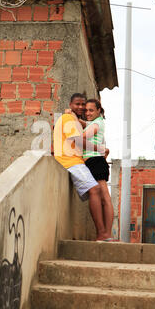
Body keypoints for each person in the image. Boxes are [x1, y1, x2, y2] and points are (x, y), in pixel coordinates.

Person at [53, 93, 111, 241]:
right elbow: (78, 140)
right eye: (77, 104)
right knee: (95, 189)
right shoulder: (68, 119)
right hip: (70, 161)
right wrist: (99, 149)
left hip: (77, 161)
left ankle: (103, 233)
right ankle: (102, 233)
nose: (81, 107)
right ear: (71, 105)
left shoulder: (75, 121)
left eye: (82, 105)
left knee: (98, 191)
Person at [82, 99, 114, 241]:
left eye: (91, 110)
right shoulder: (97, 121)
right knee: (104, 198)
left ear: (98, 111)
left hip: (95, 161)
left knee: (105, 198)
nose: (87, 113)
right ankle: (106, 234)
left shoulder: (97, 123)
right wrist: (78, 120)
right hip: (97, 161)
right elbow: (87, 125)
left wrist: (73, 126)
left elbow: (83, 136)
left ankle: (106, 234)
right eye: (86, 110)